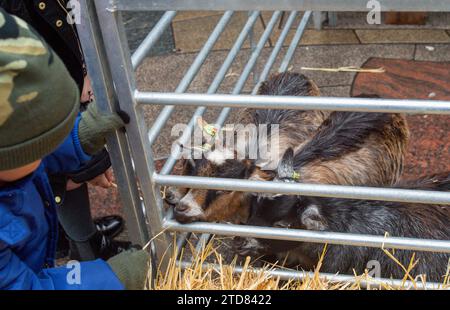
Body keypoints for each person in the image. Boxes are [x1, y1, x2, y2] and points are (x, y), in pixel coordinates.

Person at [0, 8, 149, 289]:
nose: (48, 146)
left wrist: (81, 134)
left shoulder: (11, 161)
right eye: (43, 141)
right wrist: (110, 279)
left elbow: (28, 151)